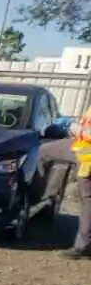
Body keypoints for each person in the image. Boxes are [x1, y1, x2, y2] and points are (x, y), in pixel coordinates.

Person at [62, 107, 91, 258]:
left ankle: (83, 245)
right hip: (83, 151)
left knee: (88, 200)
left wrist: (74, 128)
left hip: (87, 157)